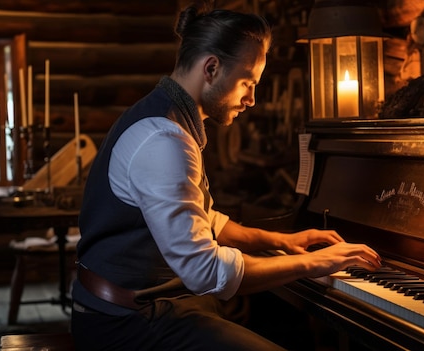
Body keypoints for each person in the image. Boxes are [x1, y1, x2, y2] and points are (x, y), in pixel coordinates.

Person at [70, 1, 381, 350]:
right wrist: (310, 263)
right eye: (247, 82)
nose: (252, 99)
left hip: (147, 307)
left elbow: (202, 219)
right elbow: (204, 271)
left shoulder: (168, 120)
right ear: (212, 68)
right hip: (125, 322)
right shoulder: (164, 139)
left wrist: (280, 242)